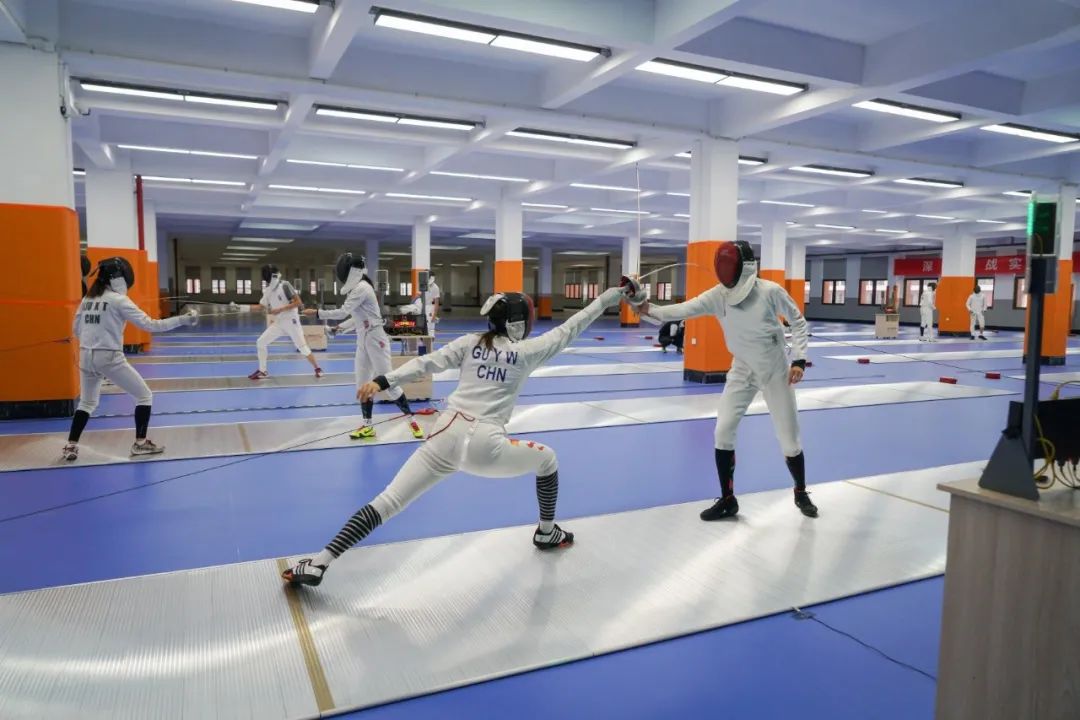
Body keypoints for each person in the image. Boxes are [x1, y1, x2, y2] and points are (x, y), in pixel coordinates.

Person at [282, 285, 629, 587]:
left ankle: (319, 562)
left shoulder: (469, 343)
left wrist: (383, 381)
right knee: (547, 460)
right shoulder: (526, 352)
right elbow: (573, 326)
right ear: (518, 323)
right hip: (486, 447)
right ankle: (547, 531)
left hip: (443, 436)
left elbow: (426, 363)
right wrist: (611, 296)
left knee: (387, 502)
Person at [635, 240, 817, 520]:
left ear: (745, 267)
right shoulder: (718, 296)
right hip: (742, 368)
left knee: (789, 439)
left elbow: (798, 321)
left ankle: (800, 492)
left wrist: (799, 359)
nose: (724, 270)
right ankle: (728, 500)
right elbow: (681, 310)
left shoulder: (770, 291)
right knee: (723, 431)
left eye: (729, 264)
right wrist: (645, 307)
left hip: (774, 369)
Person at [63, 257, 197, 461]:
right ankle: (140, 444)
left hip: (85, 356)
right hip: (109, 357)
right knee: (144, 396)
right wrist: (183, 320)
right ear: (117, 278)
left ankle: (71, 446)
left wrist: (95, 340)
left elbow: (76, 329)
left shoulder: (88, 299)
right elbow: (151, 325)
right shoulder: (119, 300)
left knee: (87, 403)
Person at [304, 252, 423, 440]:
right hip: (363, 340)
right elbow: (356, 318)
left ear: (351, 272)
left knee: (389, 383)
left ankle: (412, 421)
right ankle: (368, 427)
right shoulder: (357, 289)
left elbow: (343, 311)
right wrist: (339, 329)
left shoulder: (362, 288)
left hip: (376, 339)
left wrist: (318, 313)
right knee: (362, 385)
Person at [248, 264, 323, 380]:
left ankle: (317, 368)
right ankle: (263, 371)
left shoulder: (285, 285)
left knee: (302, 347)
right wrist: (241, 307)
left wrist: (280, 309)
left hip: (291, 321)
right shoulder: (268, 290)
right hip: (279, 323)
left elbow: (298, 302)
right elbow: (260, 306)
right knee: (261, 342)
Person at [399, 272, 441, 338]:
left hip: (428, 307)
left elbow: (436, 303)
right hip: (419, 304)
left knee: (430, 330)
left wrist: (434, 316)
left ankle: (429, 338)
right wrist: (411, 303)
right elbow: (417, 296)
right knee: (403, 309)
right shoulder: (423, 285)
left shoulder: (435, 288)